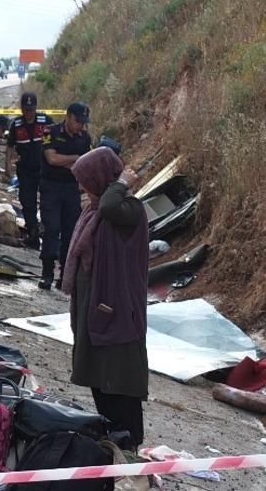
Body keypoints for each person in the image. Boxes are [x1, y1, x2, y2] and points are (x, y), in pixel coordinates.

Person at [64, 148, 148, 449]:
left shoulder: (127, 210)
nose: (80, 187)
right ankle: (113, 437)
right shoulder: (94, 212)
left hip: (118, 310)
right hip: (94, 308)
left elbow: (112, 205)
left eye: (85, 180)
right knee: (98, 375)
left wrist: (122, 182)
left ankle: (129, 442)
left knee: (119, 378)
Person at [39, 101, 93, 290]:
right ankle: (47, 272)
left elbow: (86, 165)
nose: (81, 126)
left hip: (71, 189)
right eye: (78, 121)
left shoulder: (84, 138)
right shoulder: (50, 132)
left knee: (70, 233)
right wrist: (75, 159)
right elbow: (51, 158)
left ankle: (64, 275)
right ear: (68, 117)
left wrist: (70, 162)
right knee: (52, 228)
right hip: (50, 187)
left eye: (84, 122)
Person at [5, 92, 54, 249]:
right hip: (25, 170)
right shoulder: (16, 125)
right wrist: (8, 167)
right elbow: (10, 147)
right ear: (21, 109)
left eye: (31, 109)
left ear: (35, 108)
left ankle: (48, 233)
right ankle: (32, 233)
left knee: (48, 201)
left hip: (45, 169)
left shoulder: (45, 121)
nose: (29, 113)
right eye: (26, 110)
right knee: (27, 202)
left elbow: (55, 140)